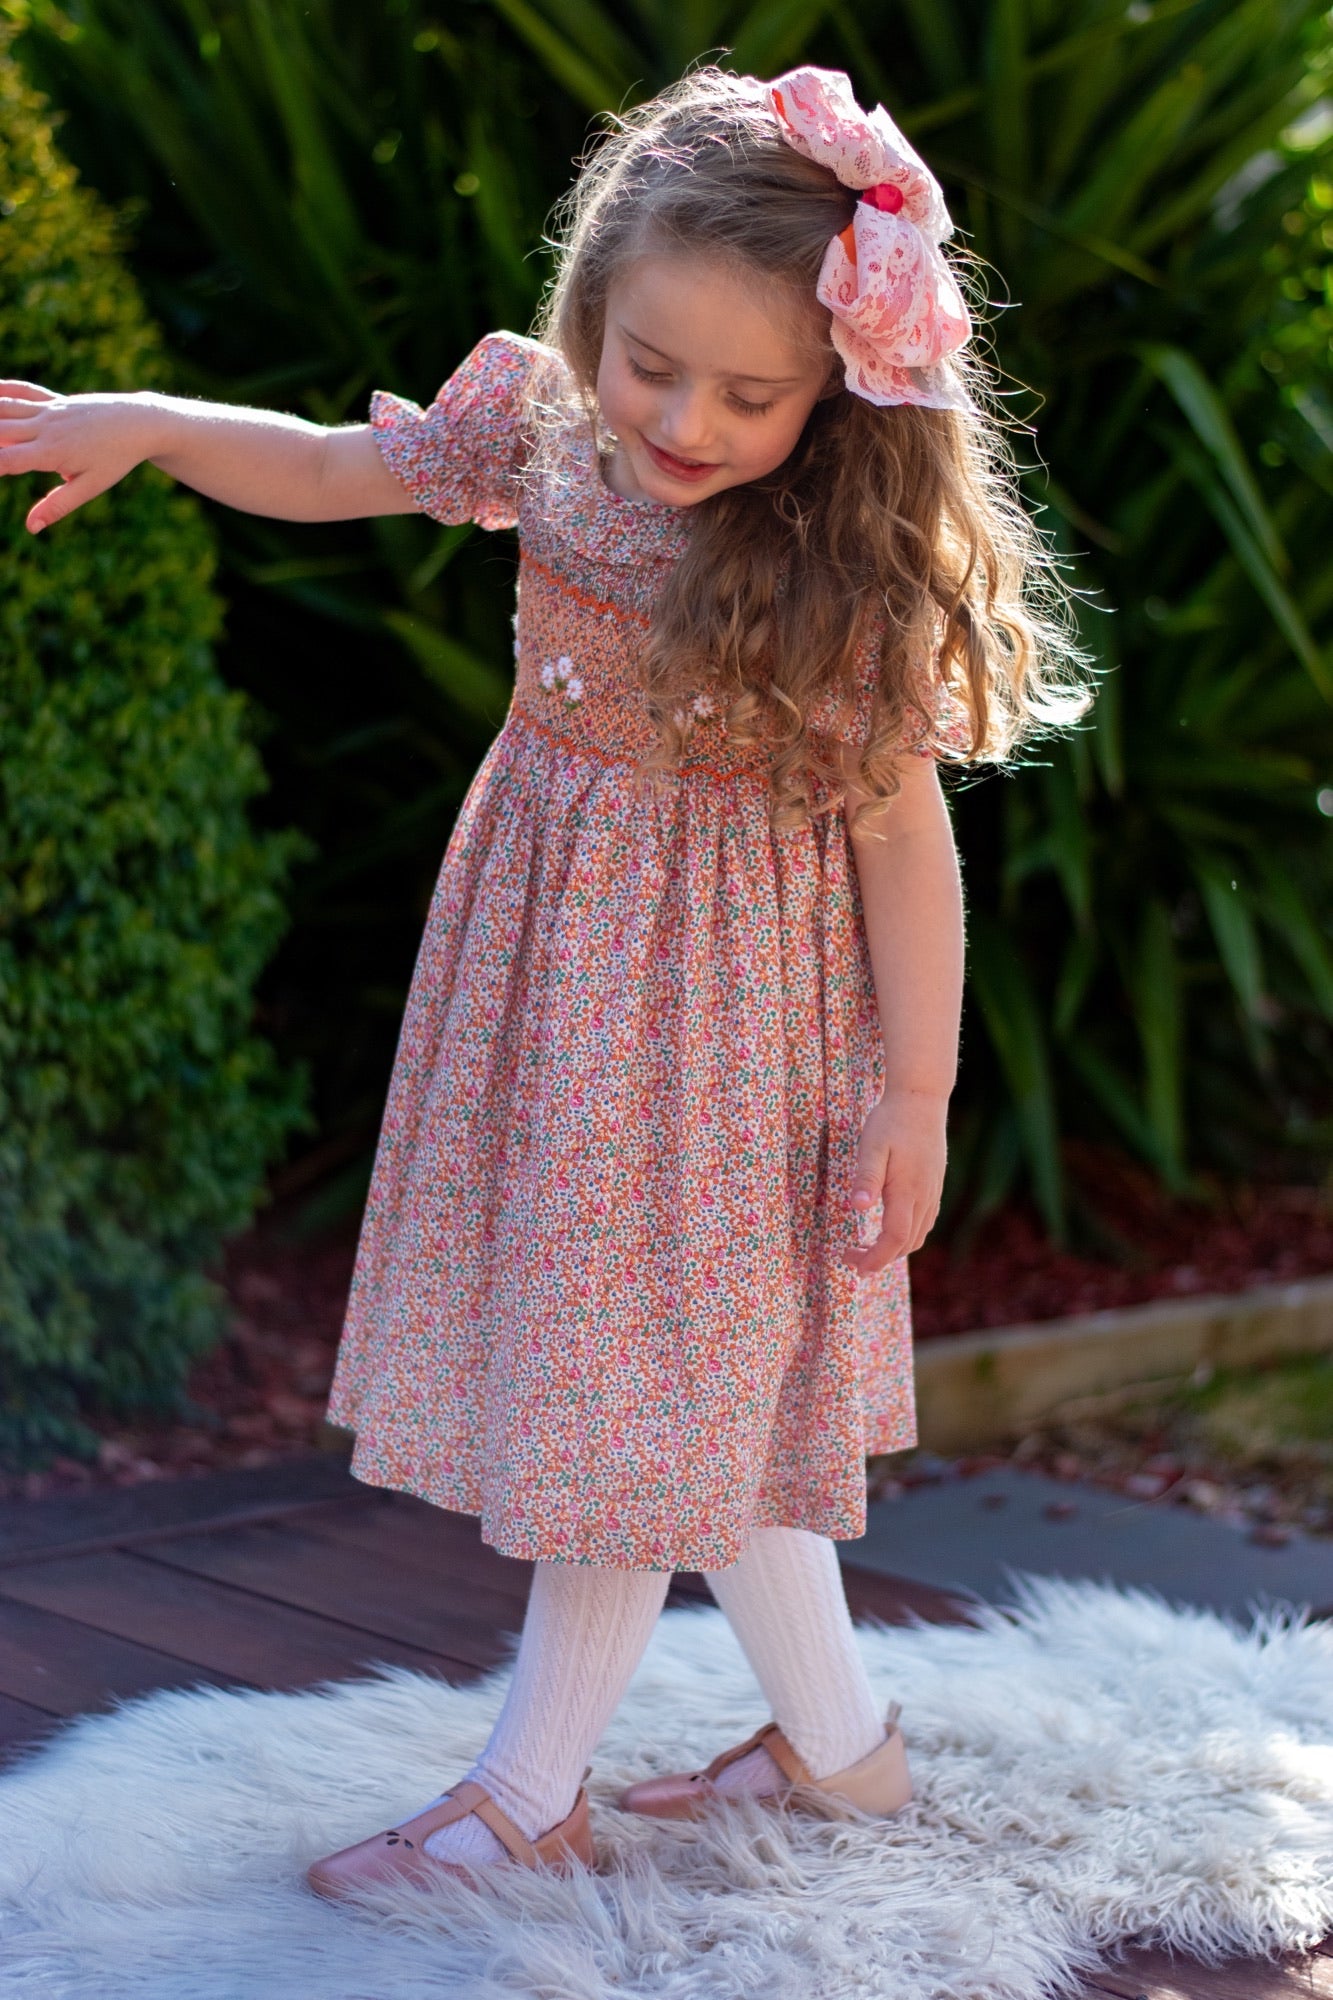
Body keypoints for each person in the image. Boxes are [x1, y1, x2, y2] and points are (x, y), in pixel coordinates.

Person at [0, 63, 1083, 1898]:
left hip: (726, 1031)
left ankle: (525, 1791)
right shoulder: (544, 428)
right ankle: (846, 1757)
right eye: (650, 359)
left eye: (748, 393)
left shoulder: (827, 569)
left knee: (631, 1388)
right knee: (680, 1389)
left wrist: (913, 1097)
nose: (681, 416)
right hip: (551, 986)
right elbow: (337, 469)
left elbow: (906, 846)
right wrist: (154, 418)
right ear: (593, 307)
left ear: (832, 391)